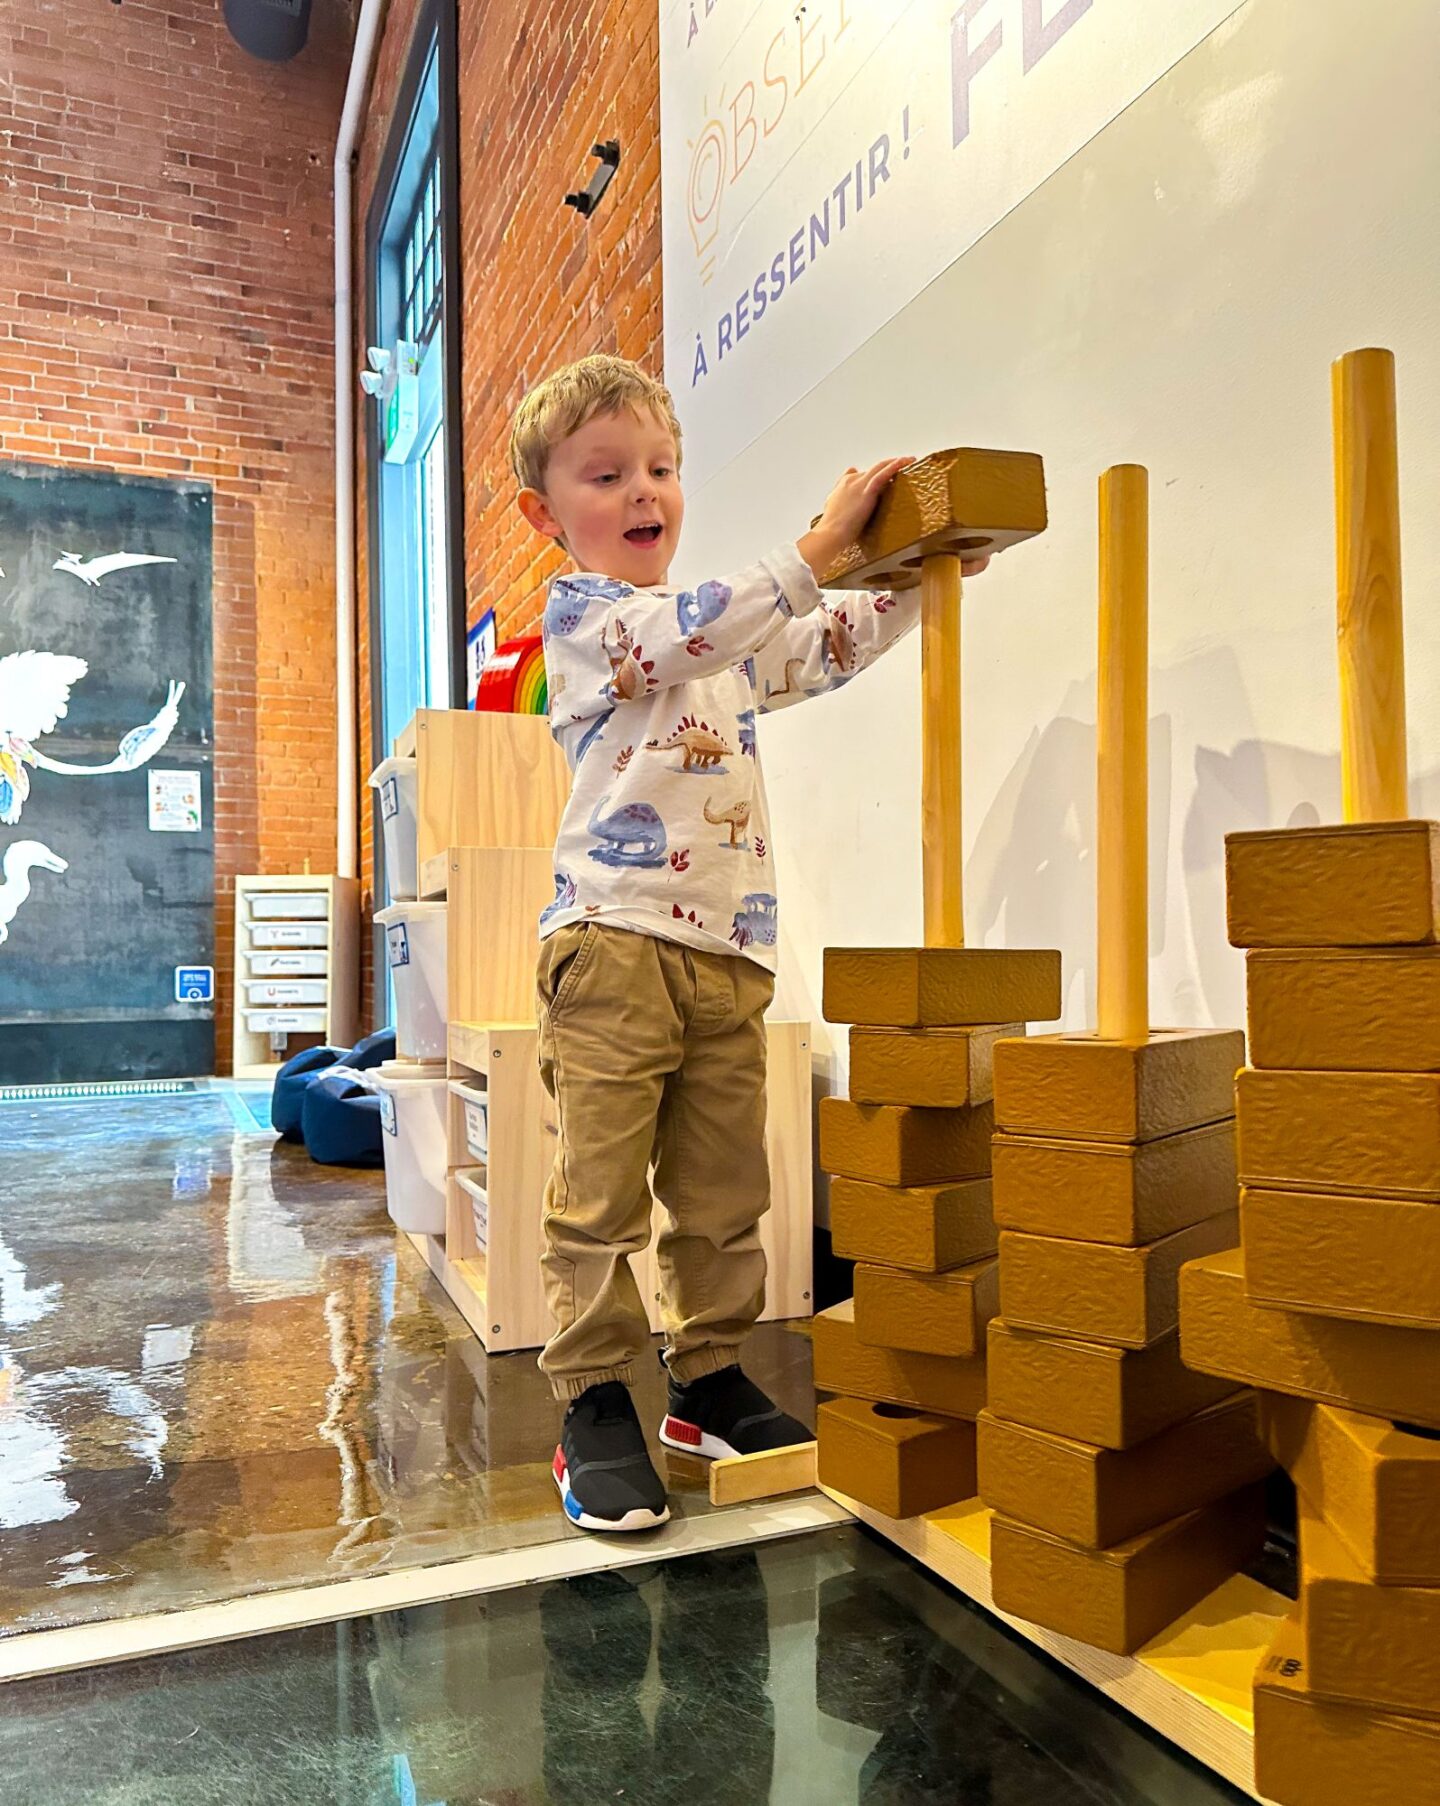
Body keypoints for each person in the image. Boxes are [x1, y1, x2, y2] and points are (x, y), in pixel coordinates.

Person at [510, 354, 989, 1532]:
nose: (643, 495)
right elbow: (693, 627)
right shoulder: (586, 624)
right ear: (546, 512)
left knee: (725, 1191)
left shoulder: (722, 644)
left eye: (661, 470)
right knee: (601, 1194)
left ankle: (708, 1377)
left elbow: (815, 645)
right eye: (606, 474)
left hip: (729, 952)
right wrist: (816, 548)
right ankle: (593, 1403)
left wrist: (914, 578)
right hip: (611, 946)